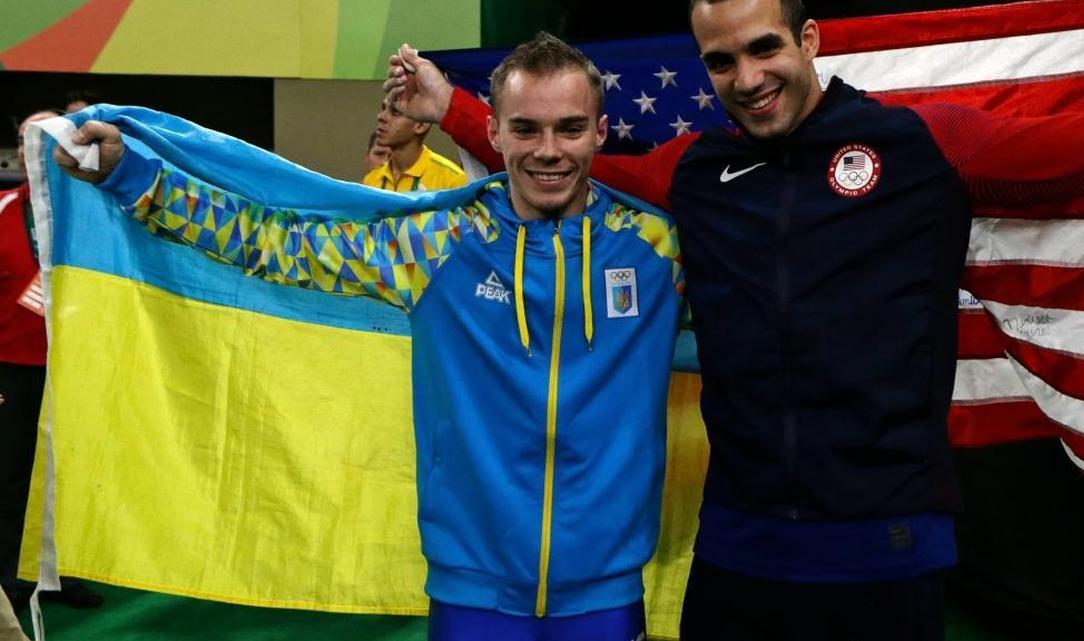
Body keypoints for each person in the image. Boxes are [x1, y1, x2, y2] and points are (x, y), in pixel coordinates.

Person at [385, 0, 1084, 638]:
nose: (746, 78)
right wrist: (453, 108)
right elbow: (568, 162)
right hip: (740, 550)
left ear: (808, 41)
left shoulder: (921, 143)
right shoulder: (695, 172)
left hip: (888, 545)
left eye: (764, 47)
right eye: (721, 61)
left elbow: (1080, 152)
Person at [54, 33, 684, 641]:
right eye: (525, 128)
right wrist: (137, 178)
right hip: (473, 590)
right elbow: (276, 243)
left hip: (607, 589)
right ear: (494, 133)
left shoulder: (660, 248)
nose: (549, 150)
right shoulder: (437, 242)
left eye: (570, 128)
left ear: (600, 133)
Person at [1, 111, 103, 615]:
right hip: (12, 369)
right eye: (24, 140)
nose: (32, 149)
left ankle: (65, 574)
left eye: (45, 139)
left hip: (79, 365)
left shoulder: (95, 213)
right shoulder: (0, 210)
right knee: (13, 474)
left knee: (73, 473)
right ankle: (12, 579)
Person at [361, 97, 466, 192]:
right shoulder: (371, 181)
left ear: (421, 125)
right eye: (383, 108)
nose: (381, 116)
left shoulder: (452, 181)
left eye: (395, 111)